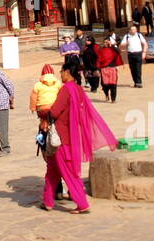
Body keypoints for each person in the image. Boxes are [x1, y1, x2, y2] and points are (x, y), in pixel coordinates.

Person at [35, 64, 117, 214]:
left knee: (69, 171)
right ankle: (47, 201)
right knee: (52, 170)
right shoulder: (78, 89)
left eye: (61, 71)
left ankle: (82, 203)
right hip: (70, 134)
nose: (60, 74)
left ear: (67, 72)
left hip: (61, 136)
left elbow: (54, 112)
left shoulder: (66, 89)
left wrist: (43, 111)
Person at [97, 36, 122, 103]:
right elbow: (98, 60)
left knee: (113, 85)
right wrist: (98, 68)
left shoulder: (113, 49)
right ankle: (106, 94)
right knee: (104, 84)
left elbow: (119, 52)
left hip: (112, 68)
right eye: (104, 42)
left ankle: (113, 99)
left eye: (107, 42)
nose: (105, 43)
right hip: (103, 69)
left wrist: (112, 46)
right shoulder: (101, 49)